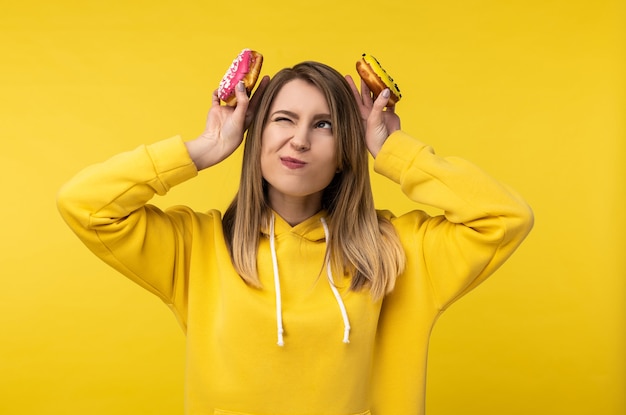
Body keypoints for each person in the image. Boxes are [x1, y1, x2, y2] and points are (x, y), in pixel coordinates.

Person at [57, 60, 533, 415]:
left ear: (346, 151)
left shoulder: (397, 250)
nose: (300, 140)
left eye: (323, 125)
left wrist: (394, 152)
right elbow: (84, 204)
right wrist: (205, 148)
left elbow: (505, 217)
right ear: (255, 135)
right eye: (283, 119)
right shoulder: (198, 247)